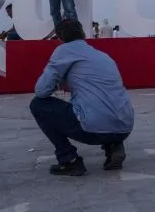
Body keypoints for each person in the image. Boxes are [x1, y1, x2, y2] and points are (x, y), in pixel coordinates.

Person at [30, 20, 134, 176]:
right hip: (125, 127)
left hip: (93, 130)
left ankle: (69, 159)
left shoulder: (63, 51)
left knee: (38, 105)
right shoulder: (103, 56)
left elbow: (41, 91)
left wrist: (59, 80)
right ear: (83, 34)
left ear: (59, 37)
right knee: (100, 105)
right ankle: (114, 146)